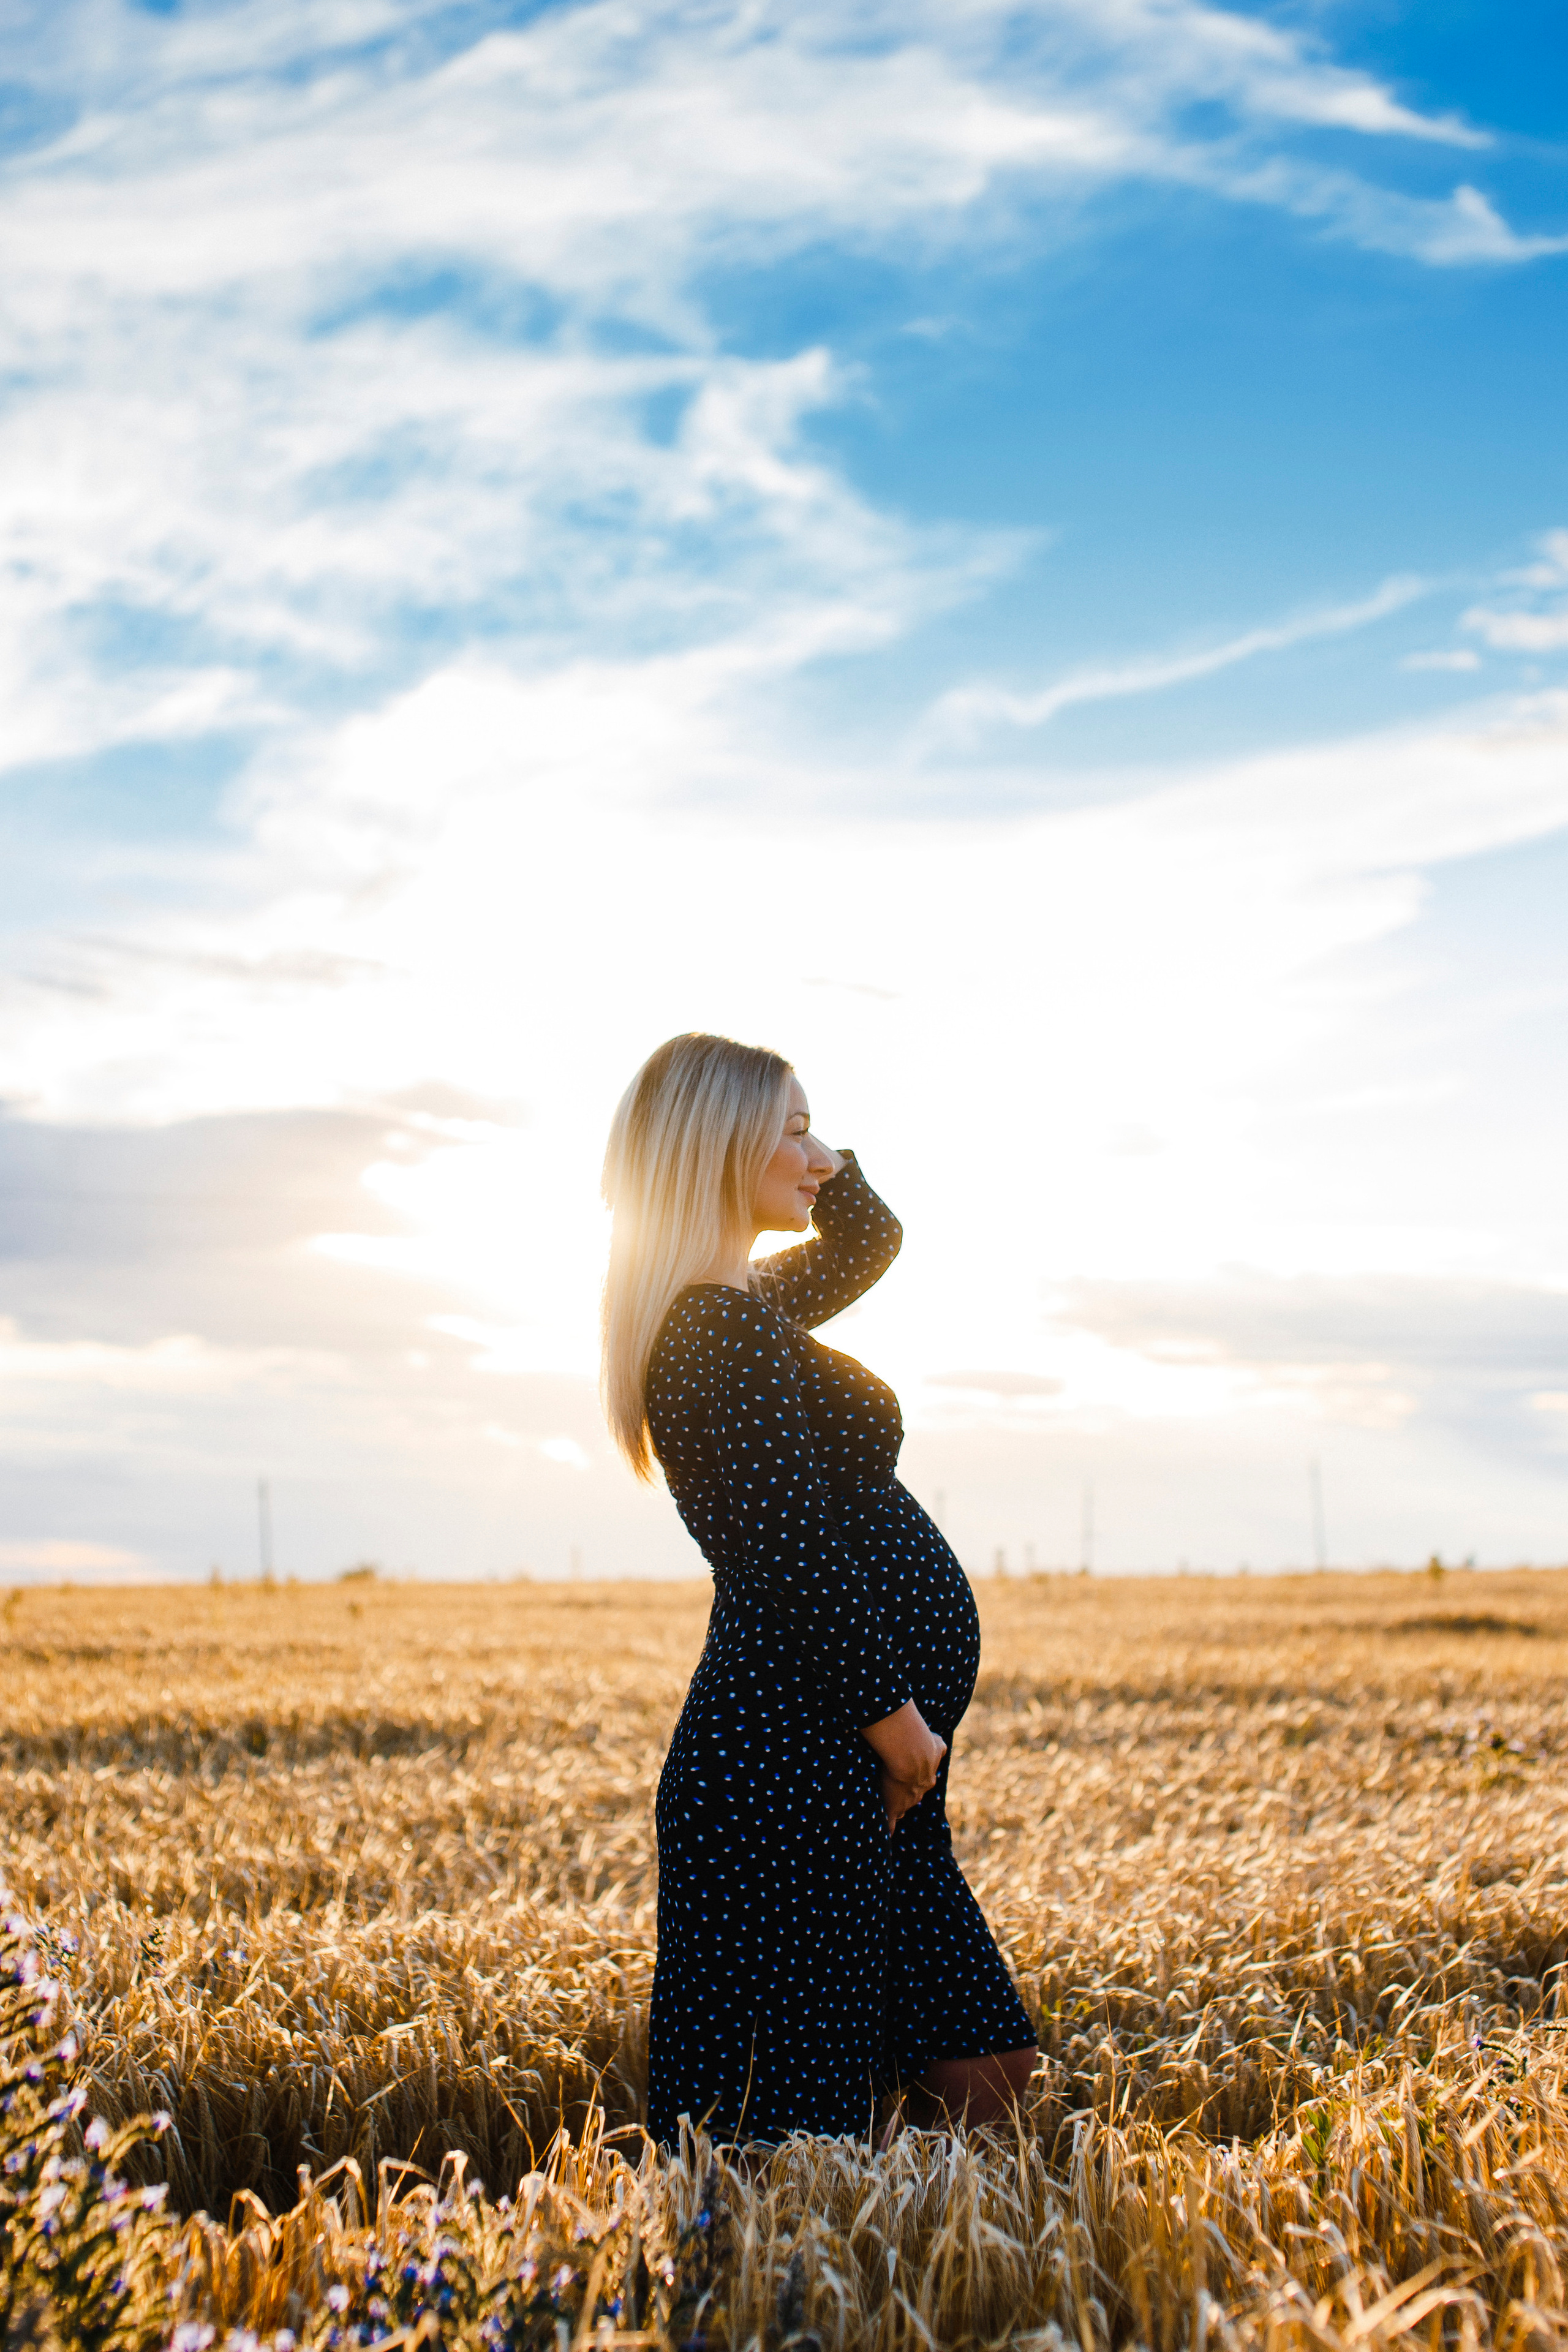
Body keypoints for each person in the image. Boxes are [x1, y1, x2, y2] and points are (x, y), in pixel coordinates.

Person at [601, 1031, 1036, 2147]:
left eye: (812, 1127)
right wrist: (900, 1736)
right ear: (717, 1146)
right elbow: (789, 1562)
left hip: (858, 1765)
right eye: (789, 1130)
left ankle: (930, 2295)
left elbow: (872, 1236)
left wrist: (815, 1148)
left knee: (986, 2067)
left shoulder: (743, 1308)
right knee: (795, 2128)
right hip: (796, 1771)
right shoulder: (710, 1336)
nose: (815, 1153)